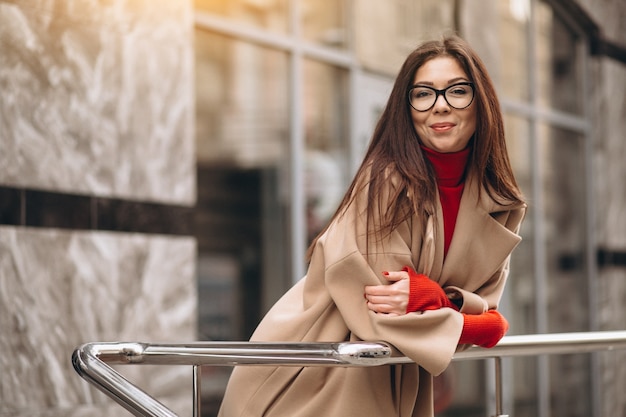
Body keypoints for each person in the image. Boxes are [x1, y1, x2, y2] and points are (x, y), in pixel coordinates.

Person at [218, 35, 526, 417]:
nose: (440, 106)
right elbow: (384, 312)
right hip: (318, 371)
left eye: (457, 91)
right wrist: (474, 324)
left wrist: (432, 298)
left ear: (482, 103)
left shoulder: (500, 204)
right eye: (423, 94)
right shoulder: (383, 183)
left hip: (390, 372)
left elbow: (475, 311)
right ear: (407, 108)